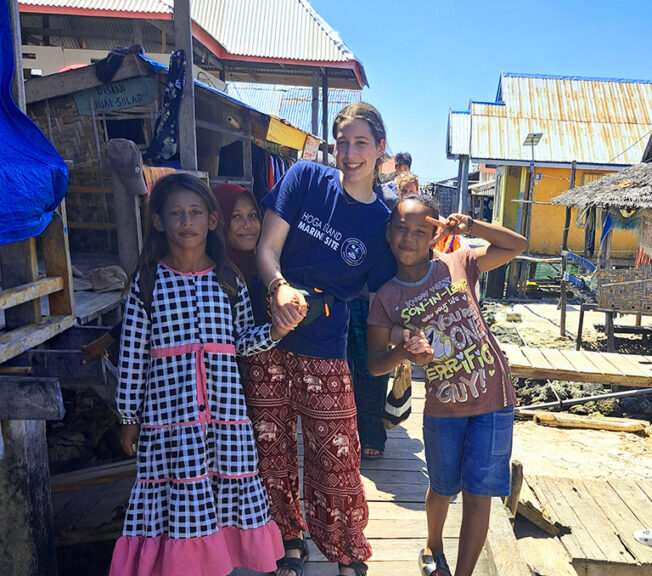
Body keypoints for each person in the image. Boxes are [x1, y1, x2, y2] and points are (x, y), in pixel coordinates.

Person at [109, 173, 302, 576]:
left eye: (196, 212)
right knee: (179, 508)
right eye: (176, 213)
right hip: (169, 423)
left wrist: (274, 331)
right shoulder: (147, 283)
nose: (187, 221)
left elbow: (242, 342)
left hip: (225, 421)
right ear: (159, 221)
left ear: (212, 221)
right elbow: (132, 360)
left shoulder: (227, 280)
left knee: (219, 503)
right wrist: (129, 418)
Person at [246, 102, 396, 576]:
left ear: (380, 149)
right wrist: (279, 287)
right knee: (270, 449)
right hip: (268, 337)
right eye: (342, 143)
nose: (349, 154)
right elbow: (266, 248)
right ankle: (288, 539)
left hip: (326, 344)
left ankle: (347, 549)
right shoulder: (306, 179)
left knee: (336, 453)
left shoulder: (383, 222)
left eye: (360, 143)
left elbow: (391, 291)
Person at [367, 195, 526, 576]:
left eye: (421, 231)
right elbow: (374, 365)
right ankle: (432, 543)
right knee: (442, 487)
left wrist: (469, 227)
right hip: (444, 407)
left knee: (479, 495)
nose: (409, 238)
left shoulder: (459, 263)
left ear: (435, 235)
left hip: (494, 397)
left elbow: (516, 245)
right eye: (402, 229)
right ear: (389, 233)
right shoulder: (386, 298)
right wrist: (407, 353)